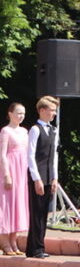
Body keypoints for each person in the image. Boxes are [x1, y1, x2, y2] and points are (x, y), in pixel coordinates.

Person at [26, 96, 59, 259]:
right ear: (42, 111)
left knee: (44, 213)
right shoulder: (35, 129)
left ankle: (37, 246)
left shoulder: (53, 130)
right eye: (51, 110)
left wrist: (55, 178)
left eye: (55, 110)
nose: (54, 114)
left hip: (48, 176)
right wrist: (36, 179)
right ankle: (35, 248)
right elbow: (30, 156)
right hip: (37, 175)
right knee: (36, 212)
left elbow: (54, 156)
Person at [0, 102, 28, 256]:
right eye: (18, 113)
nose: (21, 116)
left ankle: (13, 240)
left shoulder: (25, 131)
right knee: (7, 205)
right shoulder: (5, 131)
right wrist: (6, 175)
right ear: (10, 114)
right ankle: (4, 243)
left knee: (18, 205)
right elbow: (2, 154)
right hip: (10, 170)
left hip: (21, 172)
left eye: (23, 113)